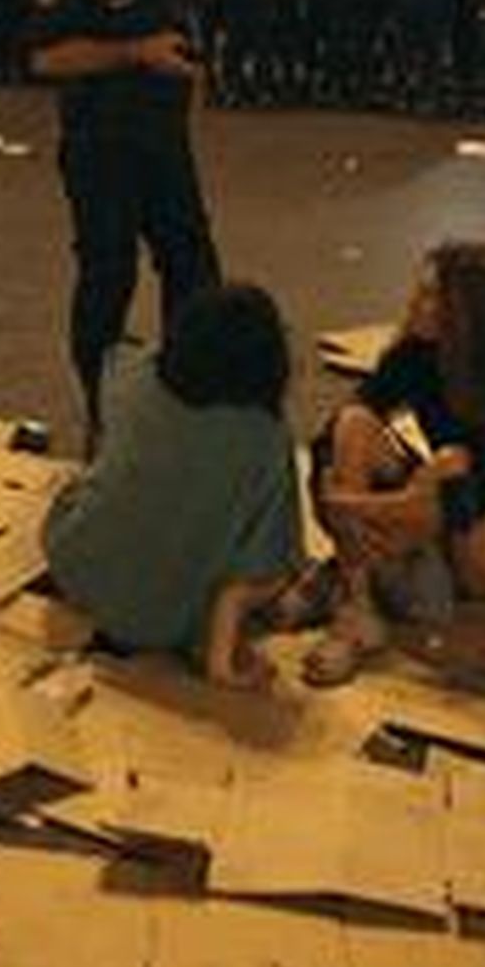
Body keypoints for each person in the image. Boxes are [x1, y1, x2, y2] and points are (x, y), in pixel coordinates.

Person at [296, 240, 485, 685]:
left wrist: (350, 507)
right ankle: (357, 607)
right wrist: (352, 490)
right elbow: (347, 426)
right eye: (420, 292)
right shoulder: (417, 354)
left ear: (469, 315)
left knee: (449, 467)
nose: (418, 305)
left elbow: (446, 499)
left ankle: (340, 576)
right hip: (440, 511)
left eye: (434, 298)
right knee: (353, 424)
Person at [31, 0, 221, 432]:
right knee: (109, 274)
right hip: (101, 142)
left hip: (164, 137)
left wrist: (193, 68)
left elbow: (183, 19)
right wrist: (136, 53)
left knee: (193, 265)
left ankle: (187, 392)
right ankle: (104, 410)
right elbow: (47, 57)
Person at [42, 282, 302, 687]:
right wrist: (223, 664)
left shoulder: (132, 374)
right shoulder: (266, 438)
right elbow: (256, 564)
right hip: (166, 619)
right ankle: (213, 640)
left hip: (75, 564)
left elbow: (105, 448)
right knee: (278, 558)